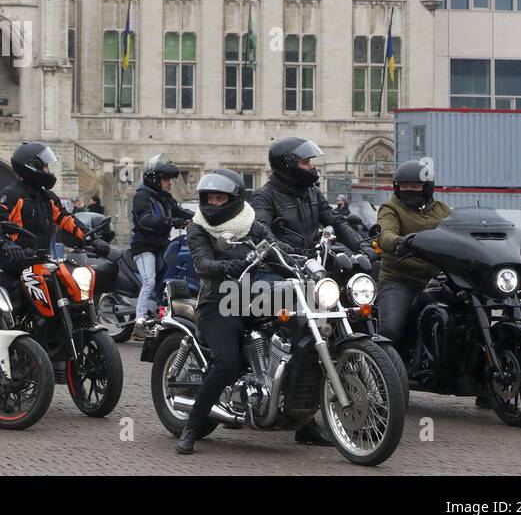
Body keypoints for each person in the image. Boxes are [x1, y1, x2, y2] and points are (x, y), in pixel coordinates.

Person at [251, 138, 364, 444]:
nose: (311, 168)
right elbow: (262, 231)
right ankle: (298, 413)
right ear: (288, 166)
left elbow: (335, 220)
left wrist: (361, 244)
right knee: (302, 329)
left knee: (342, 318)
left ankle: (308, 414)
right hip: (272, 273)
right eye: (306, 163)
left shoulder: (312, 193)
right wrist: (282, 251)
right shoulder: (264, 197)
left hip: (308, 271)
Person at [176, 169, 275, 455]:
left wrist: (297, 255)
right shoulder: (198, 227)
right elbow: (201, 263)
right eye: (210, 198)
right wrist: (224, 267)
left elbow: (273, 245)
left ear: (234, 198)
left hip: (255, 296)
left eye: (221, 198)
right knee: (228, 363)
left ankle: (303, 422)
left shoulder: (251, 222)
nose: (215, 204)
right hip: (217, 301)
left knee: (295, 336)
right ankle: (192, 426)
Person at [0, 143, 91, 304]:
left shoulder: (48, 197)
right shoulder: (11, 194)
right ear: (31, 167)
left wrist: (92, 237)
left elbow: (67, 219)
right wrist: (6, 244)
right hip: (11, 266)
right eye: (46, 166)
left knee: (64, 295)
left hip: (39, 262)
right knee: (13, 308)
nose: (49, 171)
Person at [373, 159, 452, 348]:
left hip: (439, 279)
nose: (409, 189)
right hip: (401, 280)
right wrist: (399, 241)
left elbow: (459, 227)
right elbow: (385, 234)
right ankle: (381, 370)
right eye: (405, 185)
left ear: (426, 187)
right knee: (390, 330)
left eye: (415, 185)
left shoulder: (441, 209)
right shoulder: (391, 209)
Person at [130, 155, 195, 340]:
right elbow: (145, 220)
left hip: (161, 245)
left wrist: (200, 218)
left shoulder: (164, 198)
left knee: (168, 280)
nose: (169, 183)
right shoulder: (142, 197)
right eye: (165, 179)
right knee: (150, 281)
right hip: (144, 247)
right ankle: (139, 323)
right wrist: (171, 221)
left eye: (169, 180)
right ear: (155, 179)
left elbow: (180, 211)